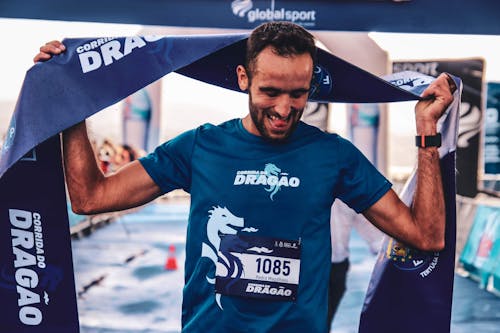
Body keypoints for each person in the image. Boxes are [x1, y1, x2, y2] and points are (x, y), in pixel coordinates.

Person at [34, 21, 455, 333]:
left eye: (298, 94)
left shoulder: (334, 155)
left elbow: (426, 235)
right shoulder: (200, 146)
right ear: (243, 79)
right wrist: (75, 104)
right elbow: (90, 198)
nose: (285, 108)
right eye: (270, 92)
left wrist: (426, 133)